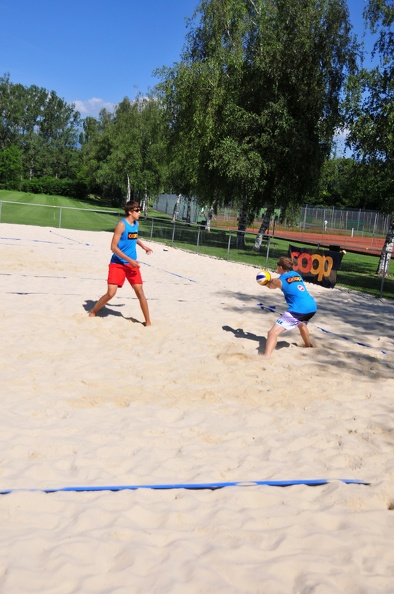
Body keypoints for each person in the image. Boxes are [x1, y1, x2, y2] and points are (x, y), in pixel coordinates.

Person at [89, 200, 152, 325]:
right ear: (130, 212)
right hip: (118, 263)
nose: (140, 212)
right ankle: (93, 311)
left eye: (140, 210)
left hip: (132, 264)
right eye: (137, 210)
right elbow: (113, 247)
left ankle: (148, 322)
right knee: (111, 293)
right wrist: (130, 260)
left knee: (140, 292)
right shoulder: (121, 225)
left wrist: (144, 246)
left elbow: (134, 237)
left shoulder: (136, 224)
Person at [262, 256, 317, 357]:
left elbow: (270, 285)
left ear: (281, 267)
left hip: (299, 310)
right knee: (301, 324)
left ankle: (266, 357)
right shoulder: (297, 274)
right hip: (312, 307)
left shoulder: (279, 281)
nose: (276, 267)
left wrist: (264, 281)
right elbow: (285, 281)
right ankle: (308, 346)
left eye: (277, 265)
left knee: (272, 333)